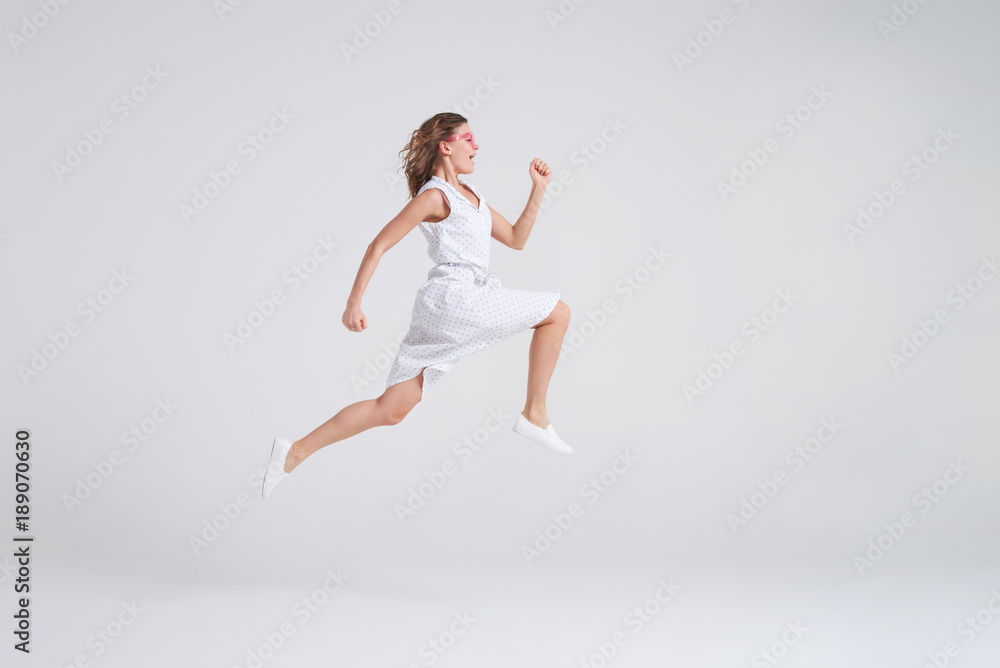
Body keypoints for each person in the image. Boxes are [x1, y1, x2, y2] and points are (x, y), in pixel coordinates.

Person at [261, 112, 572, 499]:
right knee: (558, 313)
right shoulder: (434, 197)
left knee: (390, 410)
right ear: (446, 147)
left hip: (450, 305)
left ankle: (294, 451)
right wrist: (353, 303)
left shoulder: (471, 196)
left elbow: (515, 239)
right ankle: (534, 414)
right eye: (468, 139)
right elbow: (378, 244)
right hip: (457, 298)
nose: (476, 146)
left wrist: (538, 189)